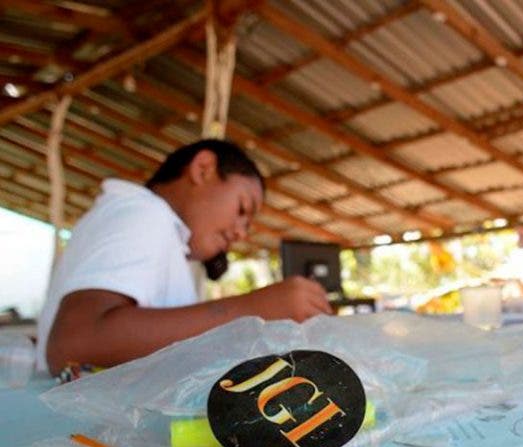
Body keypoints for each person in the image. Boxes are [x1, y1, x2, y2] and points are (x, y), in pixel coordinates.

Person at [38, 139, 332, 375]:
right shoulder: (143, 213)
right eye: (243, 209)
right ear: (203, 168)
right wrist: (252, 309)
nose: (242, 233)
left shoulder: (158, 231)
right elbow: (73, 344)